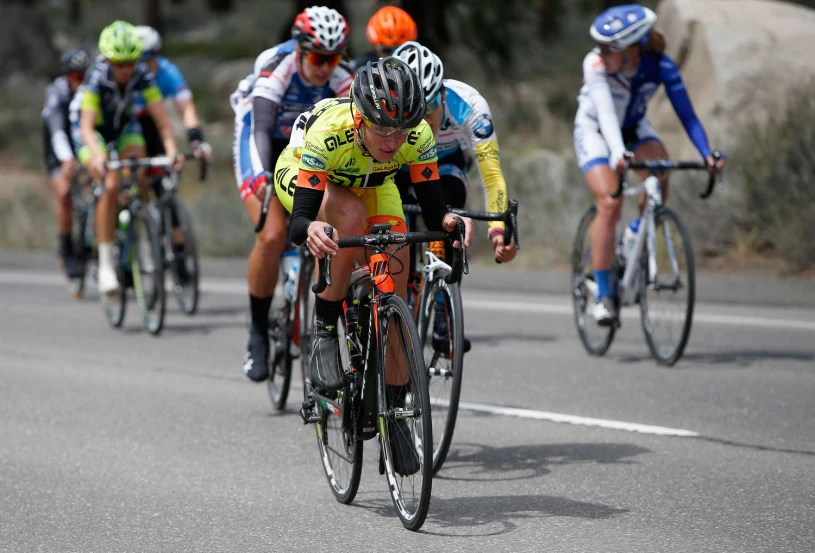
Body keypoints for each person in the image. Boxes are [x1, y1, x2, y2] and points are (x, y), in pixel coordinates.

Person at [274, 57, 473, 475]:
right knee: (347, 217)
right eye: (382, 129)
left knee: (395, 271)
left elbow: (434, 207)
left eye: (401, 130)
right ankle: (324, 329)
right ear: (361, 117)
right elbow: (298, 222)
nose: (392, 140)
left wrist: (450, 220)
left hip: (374, 184)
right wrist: (310, 229)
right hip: (309, 175)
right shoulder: (330, 132)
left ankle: (396, 414)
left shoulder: (416, 134)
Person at [574, 4, 724, 326]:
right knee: (610, 201)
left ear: (632, 50)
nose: (600, 53)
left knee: (661, 170)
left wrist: (706, 153)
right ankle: (603, 293)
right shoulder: (595, 64)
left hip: (633, 128)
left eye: (608, 48)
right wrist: (617, 152)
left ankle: (634, 235)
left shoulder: (660, 66)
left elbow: (687, 115)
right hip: (595, 130)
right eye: (599, 46)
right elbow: (606, 114)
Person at [230, 6, 354, 382]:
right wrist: (262, 178)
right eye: (317, 58)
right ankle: (257, 333)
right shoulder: (277, 65)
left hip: (310, 147)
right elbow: (260, 128)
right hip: (263, 139)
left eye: (333, 58)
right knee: (271, 235)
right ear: (300, 50)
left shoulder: (343, 77)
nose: (325, 67)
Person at [393, 41, 516, 353]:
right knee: (395, 232)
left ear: (443, 94)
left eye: (431, 104)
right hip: (398, 165)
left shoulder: (471, 107)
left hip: (446, 165)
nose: (424, 118)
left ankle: (442, 315)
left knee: (451, 215)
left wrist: (498, 229)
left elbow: (492, 176)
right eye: (414, 111)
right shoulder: (387, 110)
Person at [71, 20, 183, 294]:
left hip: (124, 128)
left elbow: (162, 120)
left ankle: (140, 235)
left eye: (131, 63)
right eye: (119, 64)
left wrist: (171, 150)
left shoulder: (142, 73)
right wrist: (99, 157)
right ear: (109, 60)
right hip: (93, 132)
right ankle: (106, 265)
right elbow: (86, 128)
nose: (126, 69)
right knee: (111, 183)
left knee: (139, 169)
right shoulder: (97, 76)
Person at [133, 25, 211, 281]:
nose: (146, 66)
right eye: (140, 60)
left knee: (167, 188)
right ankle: (127, 246)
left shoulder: (167, 71)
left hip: (154, 127)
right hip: (129, 127)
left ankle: (178, 253)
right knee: (132, 183)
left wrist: (196, 140)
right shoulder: (126, 74)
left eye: (150, 59)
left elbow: (186, 108)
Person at [42, 48, 91, 278]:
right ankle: (66, 245)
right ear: (66, 76)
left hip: (83, 142)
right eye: (75, 77)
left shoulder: (93, 90)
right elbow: (57, 132)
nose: (79, 82)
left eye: (84, 77)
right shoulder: (57, 93)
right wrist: (67, 159)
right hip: (58, 146)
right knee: (64, 193)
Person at [352, 5, 417, 70]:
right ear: (374, 47)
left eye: (402, 50)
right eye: (387, 50)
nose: (395, 56)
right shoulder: (361, 65)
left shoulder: (418, 62)